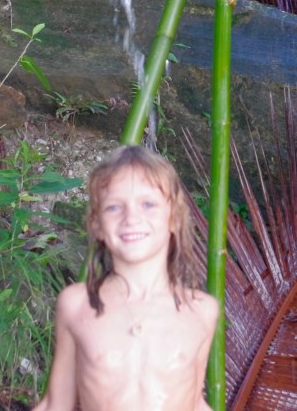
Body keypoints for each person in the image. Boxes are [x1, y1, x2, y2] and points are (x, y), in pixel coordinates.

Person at [31, 145, 219, 411]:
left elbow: (194, 401)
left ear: (174, 218)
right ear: (96, 224)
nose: (131, 218)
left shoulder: (200, 310)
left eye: (148, 204)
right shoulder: (76, 305)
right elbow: (56, 404)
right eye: (114, 208)